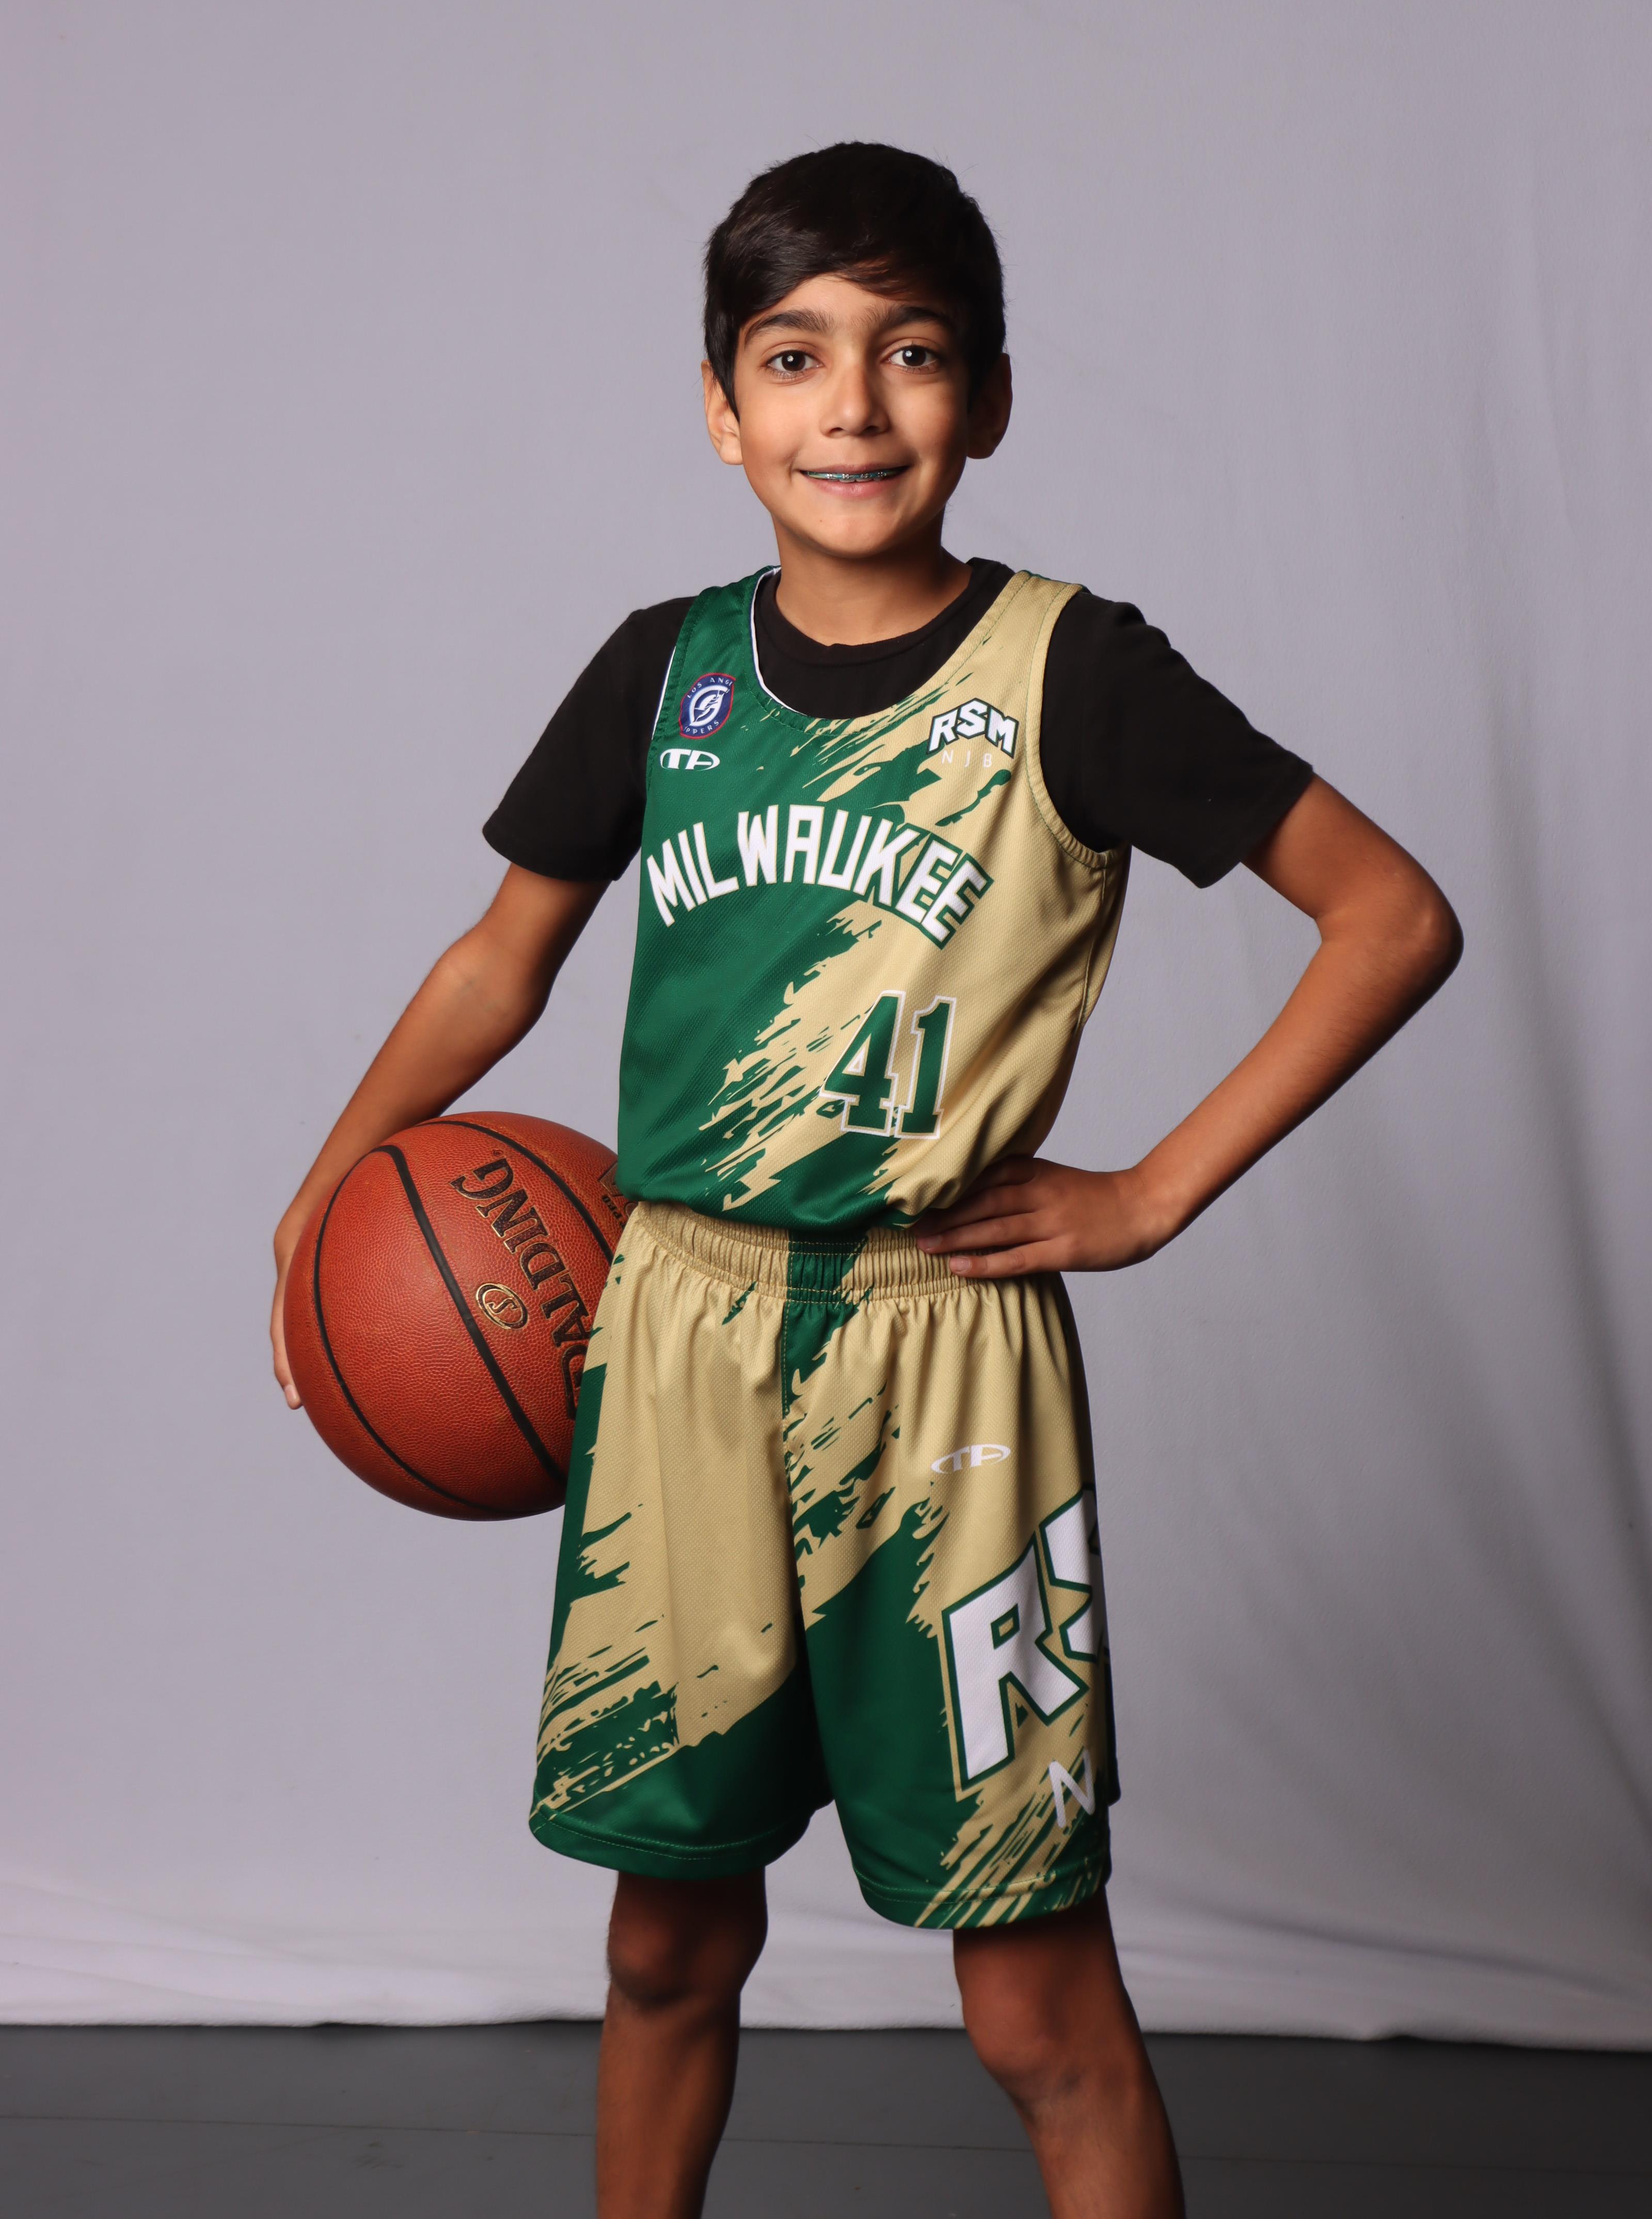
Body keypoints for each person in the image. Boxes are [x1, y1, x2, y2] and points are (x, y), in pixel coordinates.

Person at [271, 142, 1461, 2219]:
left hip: (947, 1370)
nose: (852, 405)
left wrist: (1151, 1193)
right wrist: (333, 1178)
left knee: (1032, 2000)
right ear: (720, 408)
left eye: (910, 354)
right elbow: (496, 963)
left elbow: (1389, 917)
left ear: (985, 399)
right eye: (794, 356)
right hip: (677, 1340)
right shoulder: (666, 672)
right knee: (664, 1946)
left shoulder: (1071, 673)